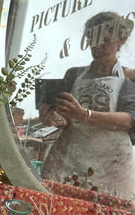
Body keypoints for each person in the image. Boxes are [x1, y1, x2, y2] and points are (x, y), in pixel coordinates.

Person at [39, 11, 135, 201]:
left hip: (111, 165)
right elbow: (66, 118)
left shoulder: (130, 77)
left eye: (105, 40)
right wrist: (54, 119)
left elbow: (129, 120)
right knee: (55, 207)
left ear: (120, 41)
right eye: (92, 39)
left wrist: (84, 114)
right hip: (70, 158)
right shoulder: (73, 74)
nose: (97, 46)